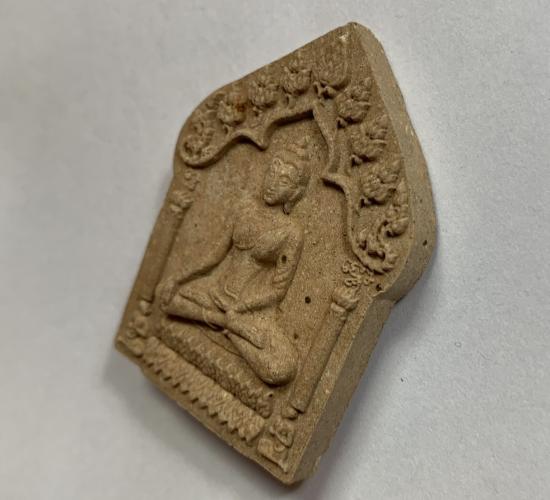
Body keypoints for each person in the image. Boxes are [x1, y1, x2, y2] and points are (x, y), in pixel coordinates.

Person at [158, 139, 311, 385]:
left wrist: (241, 308)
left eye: (284, 181)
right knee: (167, 297)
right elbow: (215, 255)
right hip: (214, 292)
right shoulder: (245, 208)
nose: (273, 184)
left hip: (250, 309)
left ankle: (226, 324)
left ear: (294, 193)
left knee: (282, 369)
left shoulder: (291, 233)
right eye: (272, 173)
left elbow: (278, 289)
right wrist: (178, 278)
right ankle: (226, 325)